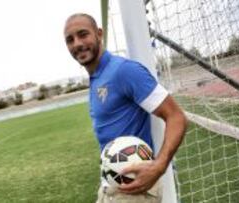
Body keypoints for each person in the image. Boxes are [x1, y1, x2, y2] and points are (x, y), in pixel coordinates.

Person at [63, 13, 187, 203]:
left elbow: (176, 117)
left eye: (83, 34)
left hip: (134, 190)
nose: (77, 43)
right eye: (70, 40)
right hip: (112, 184)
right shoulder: (97, 78)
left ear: (99, 33)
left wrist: (159, 166)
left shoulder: (124, 71)